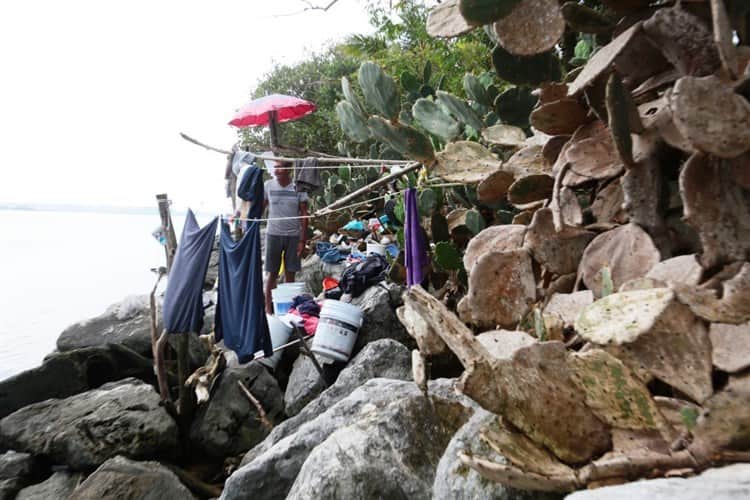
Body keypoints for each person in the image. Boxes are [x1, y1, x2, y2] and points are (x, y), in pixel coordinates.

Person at [263, 161, 309, 314]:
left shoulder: (298, 187)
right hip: (273, 235)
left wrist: (303, 240)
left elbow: (304, 214)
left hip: (293, 236)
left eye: (280, 167)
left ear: (289, 169)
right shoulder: (268, 185)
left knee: (290, 273)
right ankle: (268, 309)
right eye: (275, 167)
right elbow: (261, 206)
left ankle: (289, 310)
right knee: (272, 274)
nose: (277, 170)